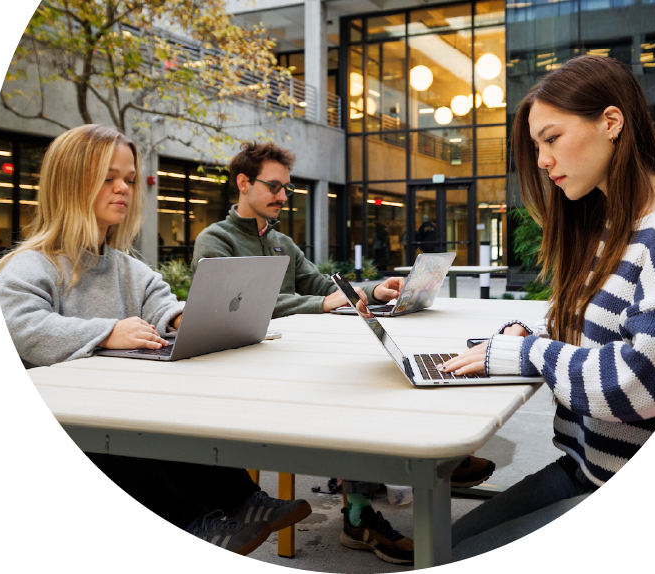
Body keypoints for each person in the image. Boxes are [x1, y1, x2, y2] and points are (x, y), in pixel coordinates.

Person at [437, 56, 655, 560]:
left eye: (552, 138)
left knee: (452, 555)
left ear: (611, 123)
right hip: (585, 466)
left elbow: (644, 382)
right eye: (536, 146)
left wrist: (527, 357)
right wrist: (521, 339)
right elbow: (579, 338)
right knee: (441, 544)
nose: (543, 159)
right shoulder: (608, 226)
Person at [0, 124, 311, 558]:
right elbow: (20, 328)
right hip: (63, 430)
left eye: (128, 178)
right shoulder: (30, 266)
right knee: (126, 433)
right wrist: (107, 331)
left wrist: (184, 318)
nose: (123, 188)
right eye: (108, 177)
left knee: (177, 414)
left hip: (112, 409)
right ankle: (193, 522)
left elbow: (160, 302)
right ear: (68, 183)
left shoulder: (127, 267)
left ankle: (242, 501)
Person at [192, 140, 496, 564]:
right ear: (244, 183)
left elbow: (320, 286)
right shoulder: (215, 241)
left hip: (288, 357)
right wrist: (322, 304)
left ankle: (417, 467)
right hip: (245, 373)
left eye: (287, 189)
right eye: (275, 187)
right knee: (351, 390)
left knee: (365, 374)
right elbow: (247, 307)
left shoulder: (280, 242)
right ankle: (365, 510)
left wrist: (373, 289)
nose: (283, 197)